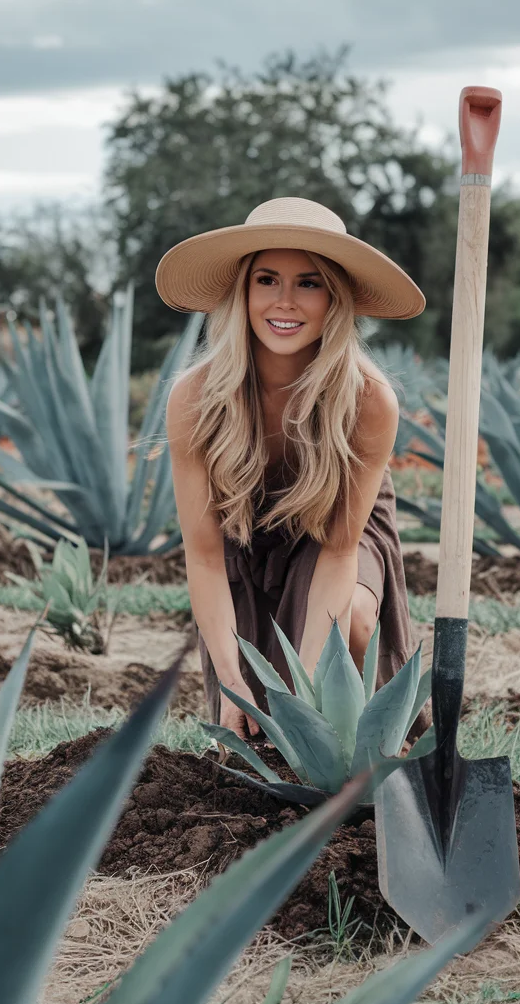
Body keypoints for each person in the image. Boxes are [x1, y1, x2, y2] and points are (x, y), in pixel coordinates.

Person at [159, 197, 429, 741]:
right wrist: (235, 679)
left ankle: (356, 748)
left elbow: (338, 549)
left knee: (348, 623)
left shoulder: (368, 398)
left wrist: (304, 692)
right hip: (242, 536)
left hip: (334, 532)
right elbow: (206, 557)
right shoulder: (195, 397)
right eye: (267, 279)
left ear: (335, 298)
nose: (284, 301)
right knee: (252, 717)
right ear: (243, 291)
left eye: (309, 283)